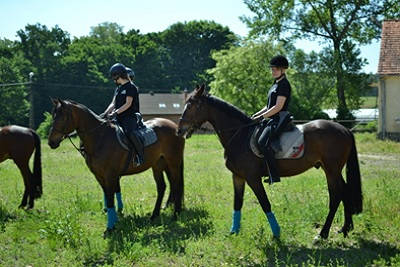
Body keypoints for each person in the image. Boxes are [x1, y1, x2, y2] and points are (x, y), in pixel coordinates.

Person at [251, 55, 292, 184]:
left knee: (263, 142)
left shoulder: (284, 84)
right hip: (272, 117)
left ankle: (274, 175)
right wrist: (256, 115)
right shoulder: (275, 84)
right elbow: (269, 105)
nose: (273, 71)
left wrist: (262, 117)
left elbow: (278, 106)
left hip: (280, 118)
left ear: (283, 70)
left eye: (275, 69)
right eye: (272, 69)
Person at [102, 63, 144, 166]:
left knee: (130, 132)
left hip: (129, 117)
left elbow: (128, 104)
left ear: (118, 76)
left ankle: (140, 156)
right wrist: (105, 113)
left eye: (113, 77)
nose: (113, 80)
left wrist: (115, 113)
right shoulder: (119, 89)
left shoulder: (131, 87)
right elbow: (113, 104)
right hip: (118, 116)